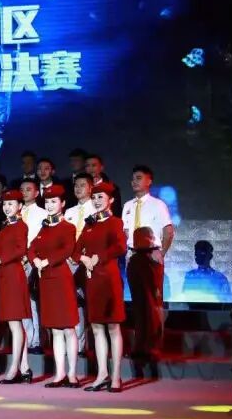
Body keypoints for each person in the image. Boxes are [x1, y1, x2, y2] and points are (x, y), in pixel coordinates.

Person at [75, 182, 126, 392]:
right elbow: (75, 250)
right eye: (94, 197)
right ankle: (102, 374)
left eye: (101, 197)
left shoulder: (115, 222)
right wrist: (84, 258)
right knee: (96, 328)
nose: (96, 201)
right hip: (92, 280)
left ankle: (116, 377)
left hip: (109, 279)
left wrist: (99, 256)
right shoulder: (89, 224)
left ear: (110, 200)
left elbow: (121, 246)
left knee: (113, 327)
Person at [121, 165, 174, 359]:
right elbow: (125, 232)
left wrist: (161, 253)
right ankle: (139, 346)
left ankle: (153, 347)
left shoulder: (157, 204)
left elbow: (168, 231)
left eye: (139, 177)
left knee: (153, 303)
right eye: (133, 178)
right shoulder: (128, 206)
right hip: (133, 256)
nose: (134, 181)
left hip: (151, 255)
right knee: (138, 303)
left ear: (149, 181)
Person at [30, 185, 79, 388]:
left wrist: (47, 261)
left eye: (53, 202)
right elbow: (32, 248)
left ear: (63, 204)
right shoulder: (44, 227)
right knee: (55, 330)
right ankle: (59, 374)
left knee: (68, 328)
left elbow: (67, 249)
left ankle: (72, 374)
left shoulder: (68, 227)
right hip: (46, 281)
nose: (49, 205)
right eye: (47, 202)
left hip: (61, 279)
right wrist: (35, 260)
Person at [0, 190, 32, 384]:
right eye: (5, 204)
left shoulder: (20, 225)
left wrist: (1, 259)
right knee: (12, 324)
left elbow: (21, 249)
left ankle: (15, 368)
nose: (7, 207)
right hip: (4, 277)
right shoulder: (5, 225)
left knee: (16, 324)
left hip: (14, 276)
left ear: (20, 206)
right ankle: (24, 367)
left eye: (11, 204)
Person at [64, 172, 95, 354]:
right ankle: (79, 346)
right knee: (75, 302)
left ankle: (95, 344)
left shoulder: (96, 209)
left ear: (91, 188)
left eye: (82, 185)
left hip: (90, 262)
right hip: (71, 262)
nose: (78, 188)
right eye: (76, 185)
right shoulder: (69, 212)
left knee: (92, 302)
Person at [19, 178, 48, 354]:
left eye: (28, 189)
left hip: (33, 260)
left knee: (33, 301)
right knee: (20, 301)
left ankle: (37, 340)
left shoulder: (43, 213)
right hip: (16, 260)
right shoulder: (15, 211)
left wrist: (30, 257)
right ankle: (26, 339)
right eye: (22, 189)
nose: (24, 193)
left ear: (37, 193)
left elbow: (41, 240)